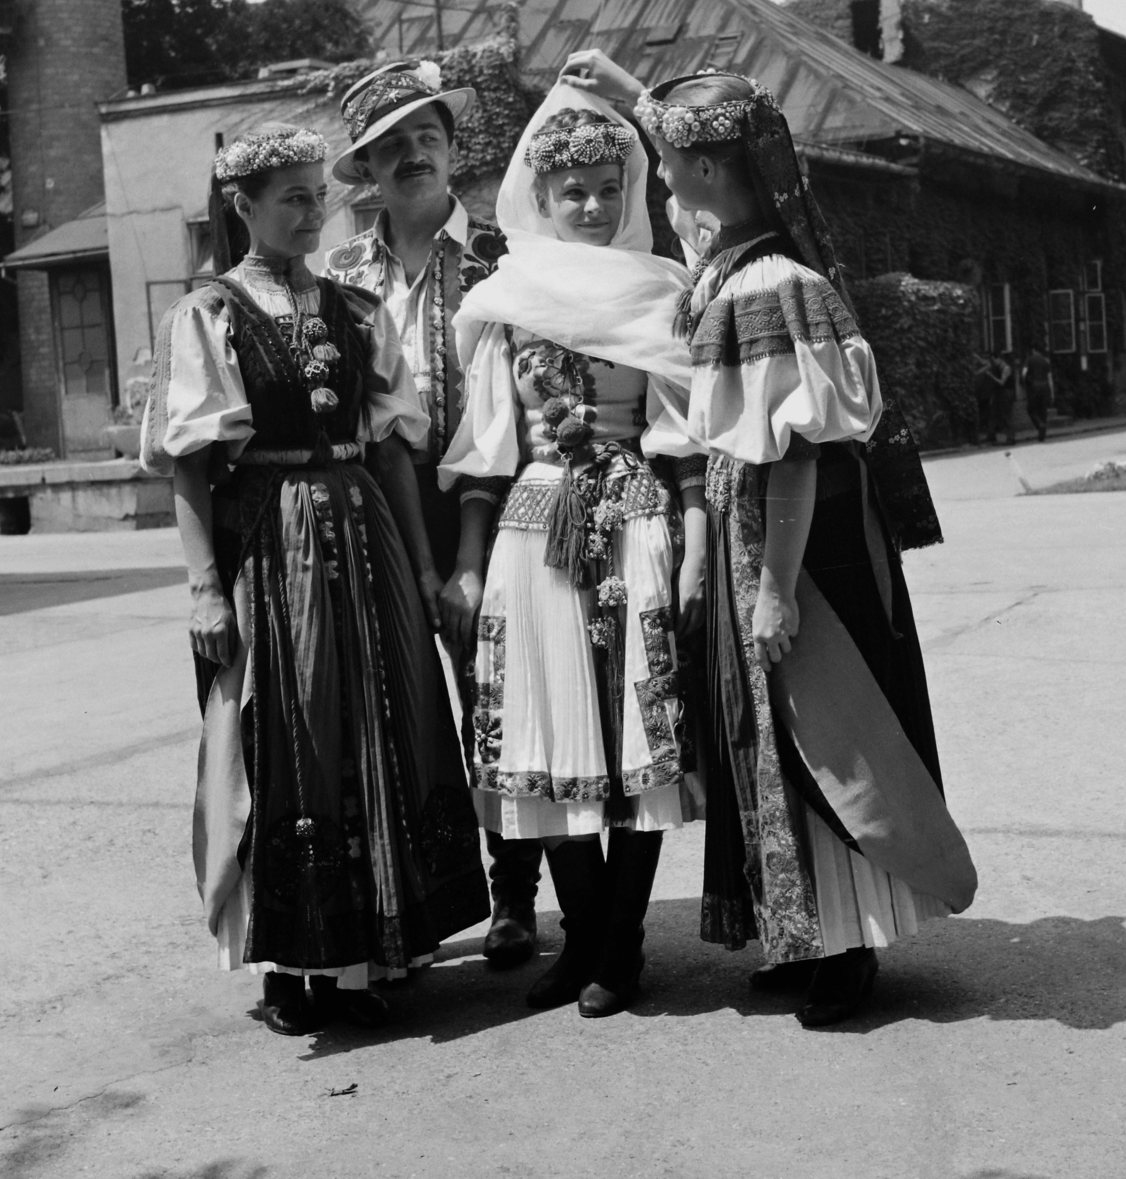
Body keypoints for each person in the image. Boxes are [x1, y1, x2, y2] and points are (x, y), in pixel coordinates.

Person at [565, 52, 977, 1028]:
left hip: (804, 546)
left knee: (820, 727)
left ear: (706, 173)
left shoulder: (766, 286)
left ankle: (849, 945)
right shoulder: (743, 268)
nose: (659, 186)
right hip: (765, 534)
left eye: (666, 169)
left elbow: (789, 456)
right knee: (772, 736)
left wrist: (775, 587)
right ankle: (810, 931)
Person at [140, 125, 488, 1036]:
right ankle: (296, 963)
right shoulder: (209, 314)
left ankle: (375, 945)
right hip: (270, 538)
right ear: (242, 207)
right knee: (289, 732)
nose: (310, 212)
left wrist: (418, 561)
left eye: (315, 195)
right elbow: (188, 467)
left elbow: (395, 449)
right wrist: (204, 588)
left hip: (363, 530)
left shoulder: (356, 309)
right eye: (289, 198)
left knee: (378, 720)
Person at [439, 83, 707, 1017]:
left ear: (626, 192)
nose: (591, 208)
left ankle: (619, 944)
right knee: (547, 731)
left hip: (634, 514)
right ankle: (581, 934)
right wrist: (469, 565)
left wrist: (690, 543)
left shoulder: (661, 289)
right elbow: (485, 448)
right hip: (534, 521)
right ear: (540, 199)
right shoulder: (506, 295)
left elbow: (682, 433)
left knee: (638, 731)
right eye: (572, 193)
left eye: (605, 188)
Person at [324, 60, 545, 969]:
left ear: (455, 152)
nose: (412, 156)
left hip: (492, 505)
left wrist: (470, 552)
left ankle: (516, 895)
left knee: (498, 701)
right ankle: (406, 904)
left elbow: (526, 407)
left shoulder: (503, 255)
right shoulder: (337, 273)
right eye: (391, 147)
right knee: (391, 708)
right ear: (369, 171)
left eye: (428, 138)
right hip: (379, 511)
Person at [1023, 344, 1053, 442]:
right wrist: (1052, 393)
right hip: (1045, 386)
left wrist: (1026, 383)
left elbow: (1024, 373)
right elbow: (1050, 378)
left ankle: (1039, 424)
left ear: (1034, 350)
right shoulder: (1046, 361)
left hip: (1034, 386)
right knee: (1042, 410)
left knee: (1031, 409)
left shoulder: (1030, 360)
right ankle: (1042, 436)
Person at [990, 349, 1017, 446]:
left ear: (998, 359)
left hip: (1006, 393)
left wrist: (991, 376)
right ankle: (1007, 437)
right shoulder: (1001, 368)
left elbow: (1002, 382)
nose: (994, 363)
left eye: (994, 360)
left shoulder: (1005, 368)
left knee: (1007, 415)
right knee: (1003, 415)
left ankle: (1011, 437)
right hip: (1003, 393)